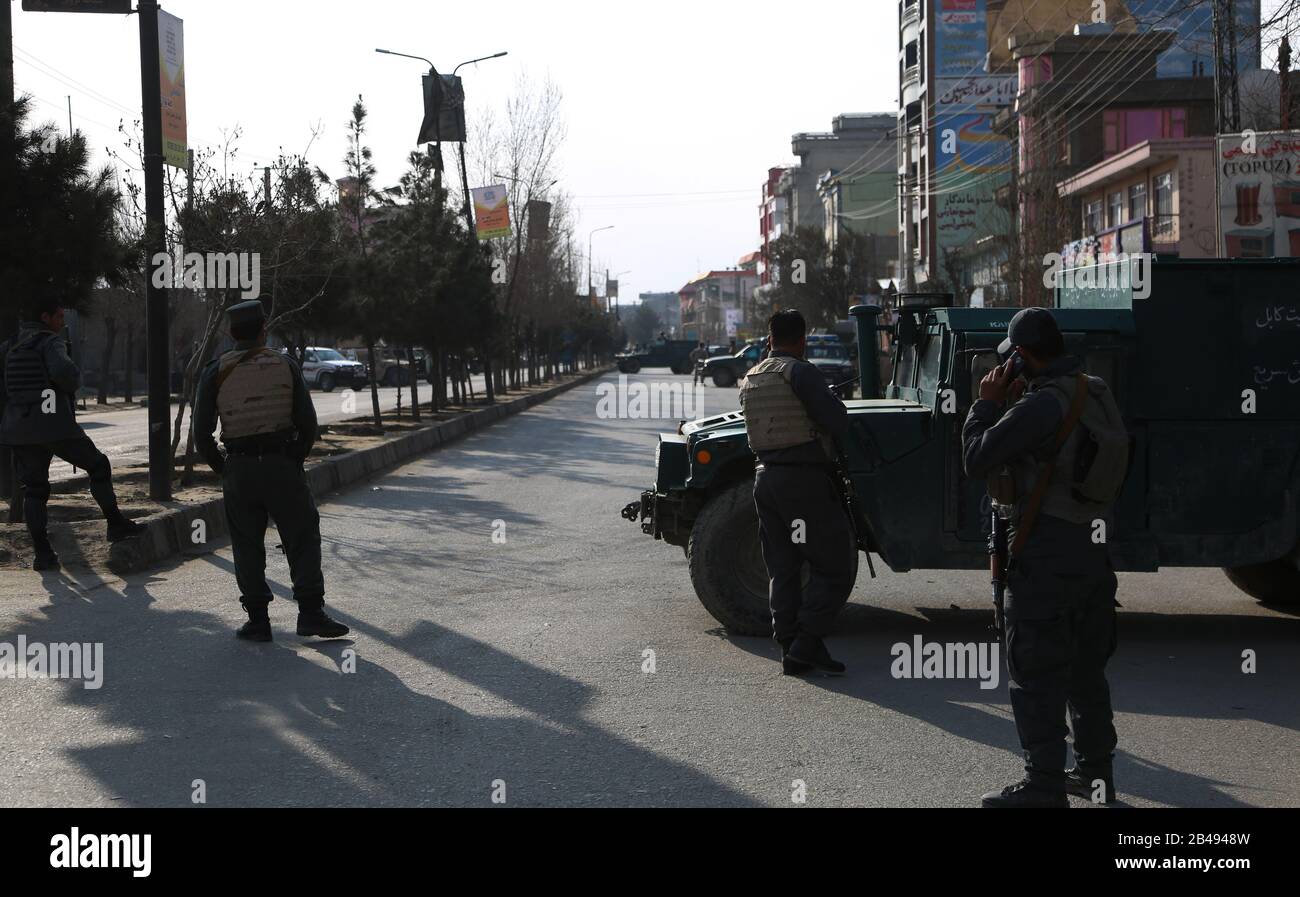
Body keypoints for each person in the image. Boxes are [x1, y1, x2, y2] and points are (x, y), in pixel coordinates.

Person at [963, 308, 1120, 808]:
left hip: (1045, 552)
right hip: (1092, 552)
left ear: (1025, 357)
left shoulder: (1039, 406)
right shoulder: (1092, 390)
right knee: (1085, 672)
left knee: (1034, 672)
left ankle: (1044, 786)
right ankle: (1096, 778)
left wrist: (985, 406)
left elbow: (975, 457)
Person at [192, 300, 349, 643]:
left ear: (232, 333)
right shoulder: (284, 364)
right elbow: (308, 424)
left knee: (247, 545)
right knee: (302, 537)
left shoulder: (214, 370)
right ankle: (310, 614)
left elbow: (201, 434)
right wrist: (292, 458)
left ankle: (258, 621)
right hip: (281, 466)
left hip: (240, 468)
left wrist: (225, 468)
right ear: (264, 328)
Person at [740, 309, 855, 676]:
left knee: (784, 568)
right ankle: (806, 640)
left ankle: (793, 647)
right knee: (834, 566)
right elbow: (837, 422)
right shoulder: (801, 372)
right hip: (802, 481)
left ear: (769, 338)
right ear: (803, 339)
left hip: (765, 480)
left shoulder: (752, 377)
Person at [0, 299, 145, 571]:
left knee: (34, 489)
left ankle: (43, 554)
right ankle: (115, 524)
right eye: (57, 317)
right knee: (99, 465)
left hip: (19, 428)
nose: (62, 322)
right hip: (54, 424)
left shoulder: (10, 346)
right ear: (44, 318)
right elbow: (65, 373)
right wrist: (73, 380)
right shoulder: (50, 341)